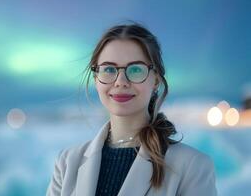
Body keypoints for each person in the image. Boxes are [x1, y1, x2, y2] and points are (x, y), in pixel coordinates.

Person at [46, 22, 217, 196]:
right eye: (109, 69)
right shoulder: (67, 164)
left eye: (135, 69)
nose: (120, 81)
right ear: (96, 78)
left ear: (156, 80)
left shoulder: (192, 166)